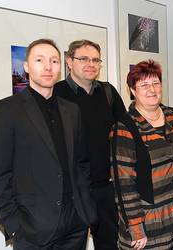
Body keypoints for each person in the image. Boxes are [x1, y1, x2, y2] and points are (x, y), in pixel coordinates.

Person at [0, 38, 96, 249]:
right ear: (26, 67)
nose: (47, 67)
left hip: (75, 224)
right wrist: (14, 224)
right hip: (32, 229)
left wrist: (86, 211)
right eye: (39, 60)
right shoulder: (6, 110)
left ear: (60, 67)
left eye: (54, 61)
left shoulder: (71, 110)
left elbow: (81, 163)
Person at [109, 59, 173, 250]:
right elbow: (123, 185)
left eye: (156, 83)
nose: (151, 89)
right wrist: (135, 227)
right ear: (133, 91)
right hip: (149, 226)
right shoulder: (124, 128)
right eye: (144, 85)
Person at [55, 39, 126, 250]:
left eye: (96, 60)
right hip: (72, 190)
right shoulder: (56, 94)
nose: (91, 64)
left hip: (106, 187)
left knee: (109, 245)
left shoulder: (108, 92)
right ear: (69, 61)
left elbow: (124, 133)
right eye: (83, 59)